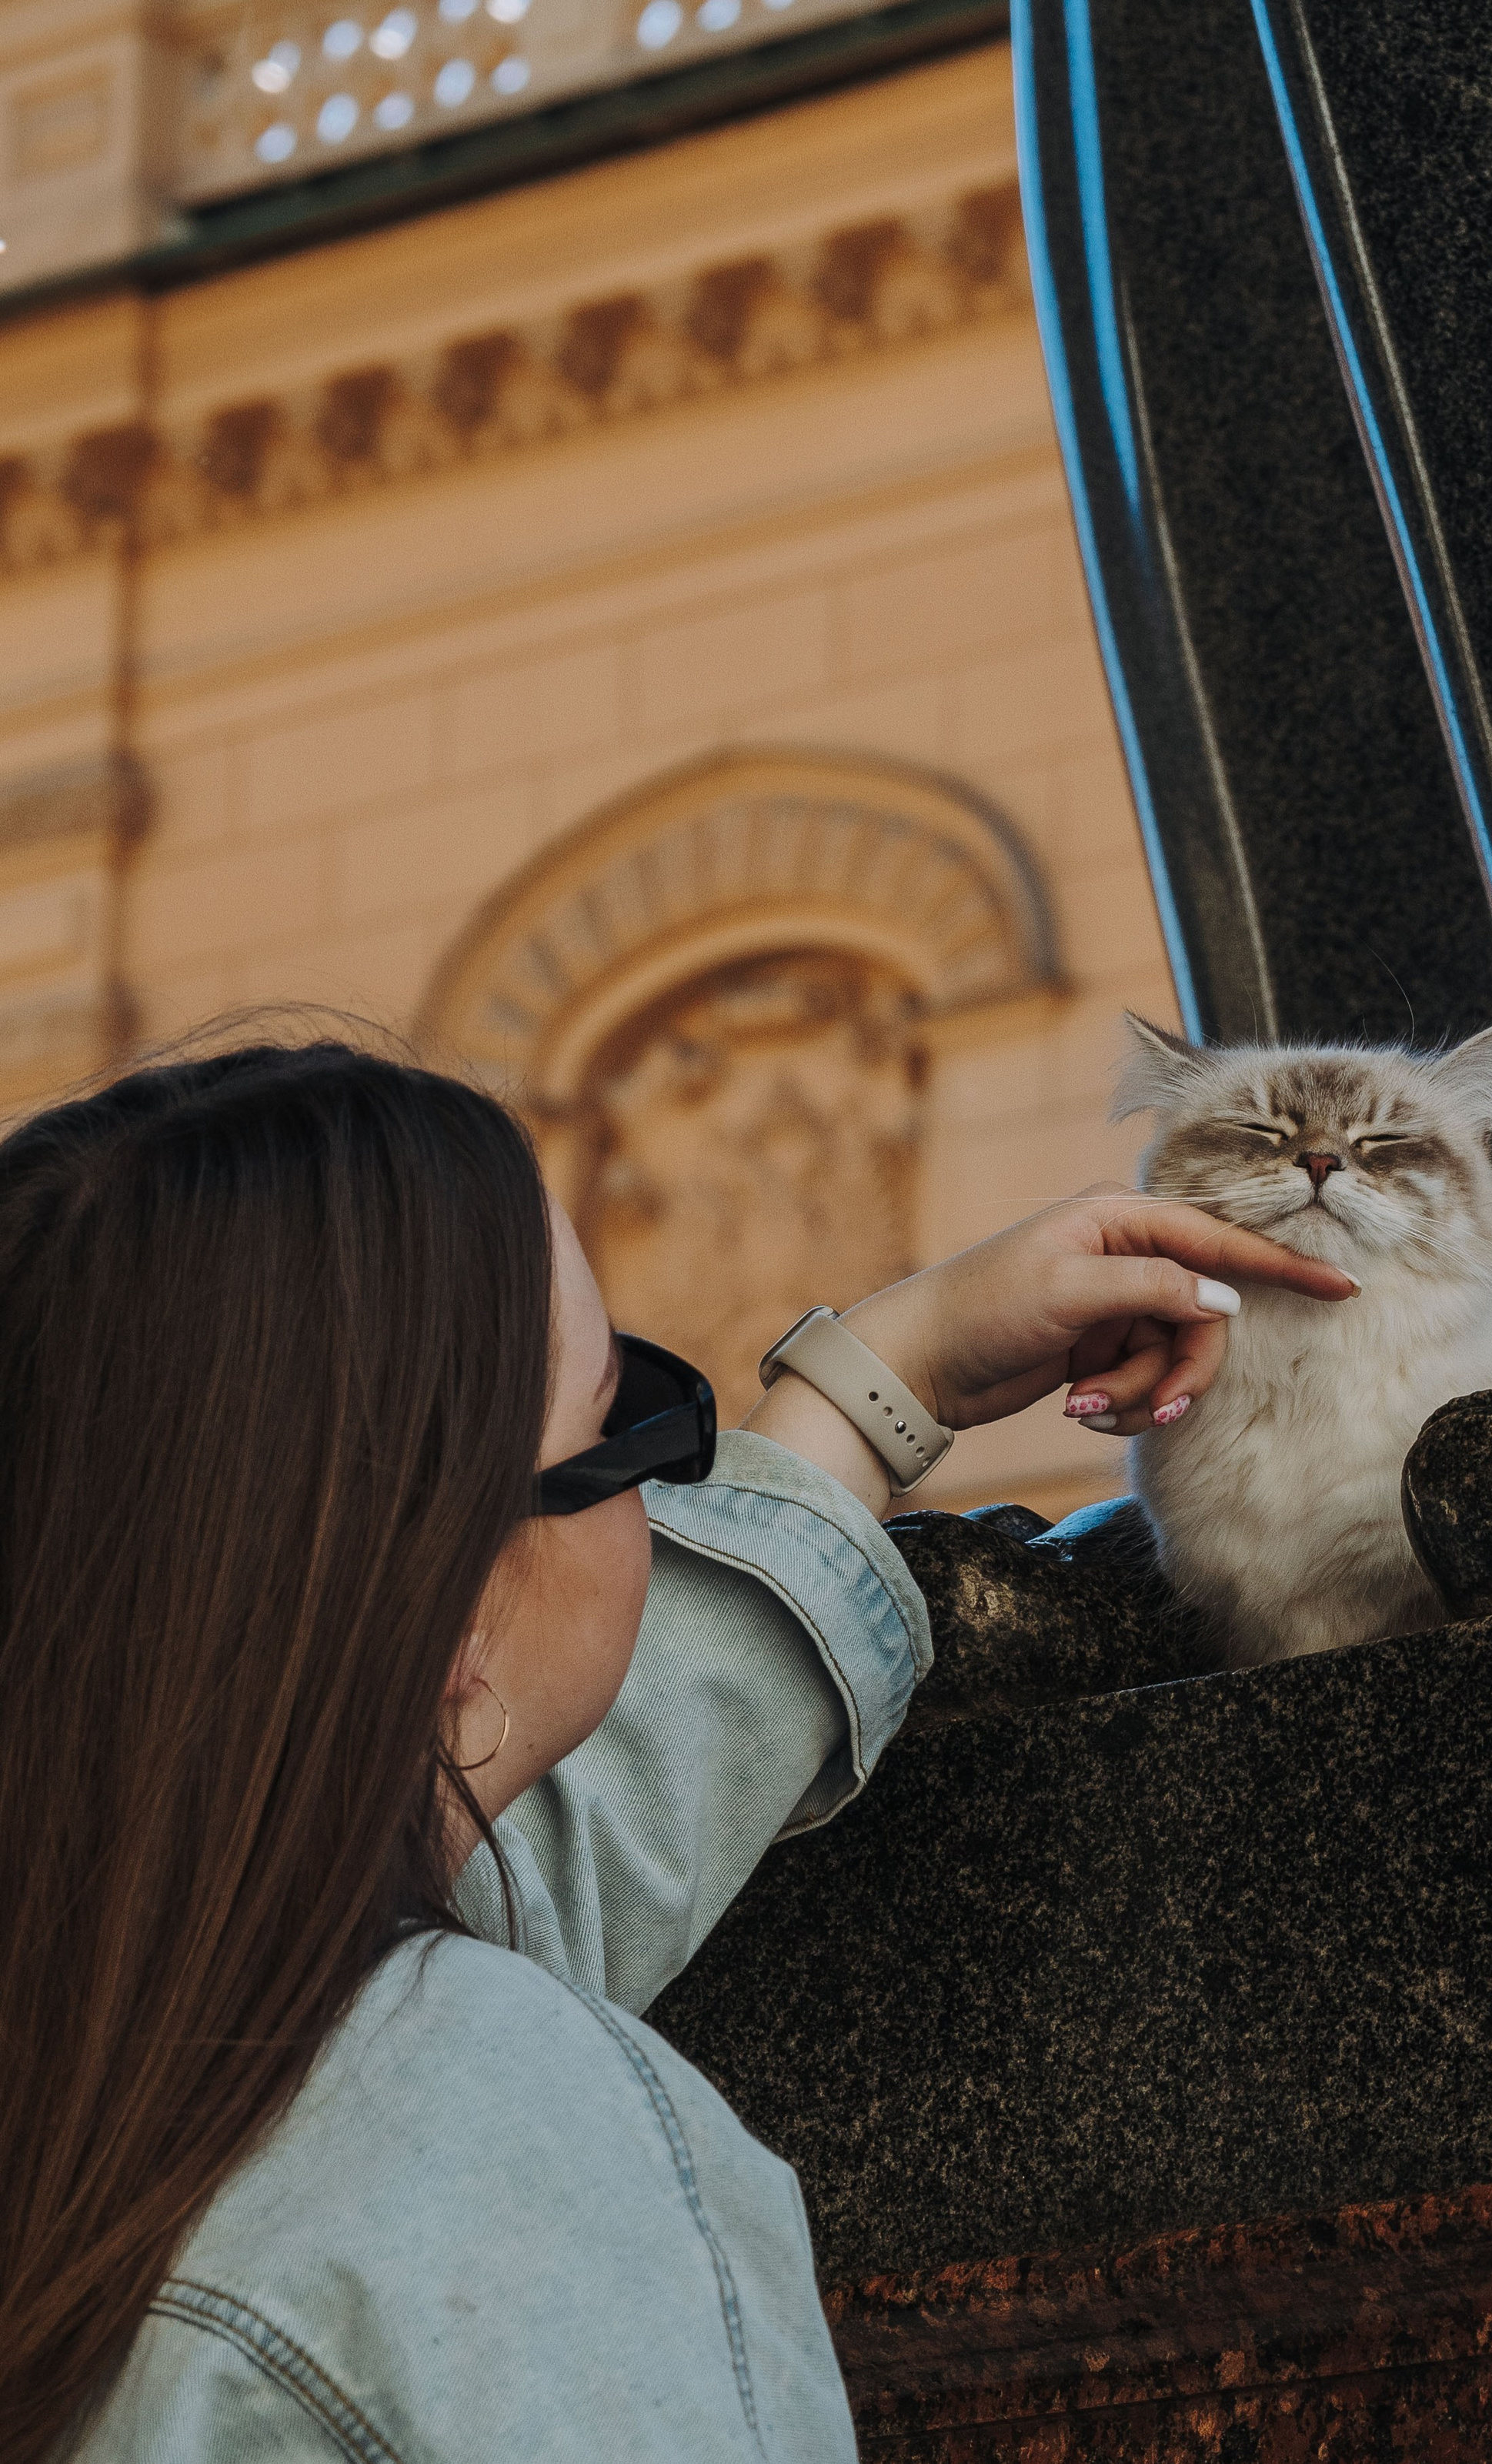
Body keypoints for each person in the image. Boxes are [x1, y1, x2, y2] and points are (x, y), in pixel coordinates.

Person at [0, 1035, 1355, 2462]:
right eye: (622, 1417)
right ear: (445, 1617)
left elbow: (533, 1838)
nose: (657, 1468)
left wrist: (890, 1377)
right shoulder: (497, 2145)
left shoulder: (117, 2021)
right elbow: (455, 2046)